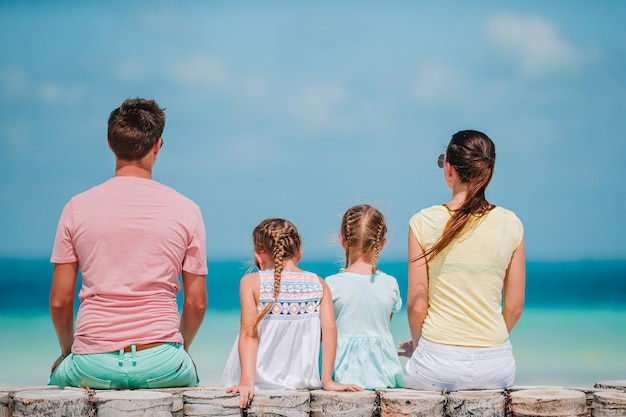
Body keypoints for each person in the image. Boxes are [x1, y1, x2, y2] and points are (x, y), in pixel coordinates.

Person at [49, 98, 208, 389]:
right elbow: (196, 303)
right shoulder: (187, 210)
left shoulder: (77, 207)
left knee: (56, 377)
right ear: (157, 146)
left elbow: (60, 301)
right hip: (163, 360)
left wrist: (67, 351)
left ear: (110, 144)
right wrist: (177, 349)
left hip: (91, 361)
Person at [400, 129, 525, 391]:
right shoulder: (511, 223)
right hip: (497, 365)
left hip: (438, 362)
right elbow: (513, 308)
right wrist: (484, 347)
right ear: (488, 171)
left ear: (449, 169)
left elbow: (417, 303)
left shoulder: (422, 221)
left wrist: (420, 346)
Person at [222, 218, 362, 408]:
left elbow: (249, 335)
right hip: (301, 385)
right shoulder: (319, 284)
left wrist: (247, 381)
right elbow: (329, 330)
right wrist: (327, 381)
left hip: (257, 383)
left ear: (259, 256)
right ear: (299, 254)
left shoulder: (251, 282)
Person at [325, 204, 403, 390]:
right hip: (384, 375)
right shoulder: (390, 284)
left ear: (343, 240)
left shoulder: (331, 284)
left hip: (340, 375)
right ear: (381, 243)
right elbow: (383, 324)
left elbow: (325, 335)